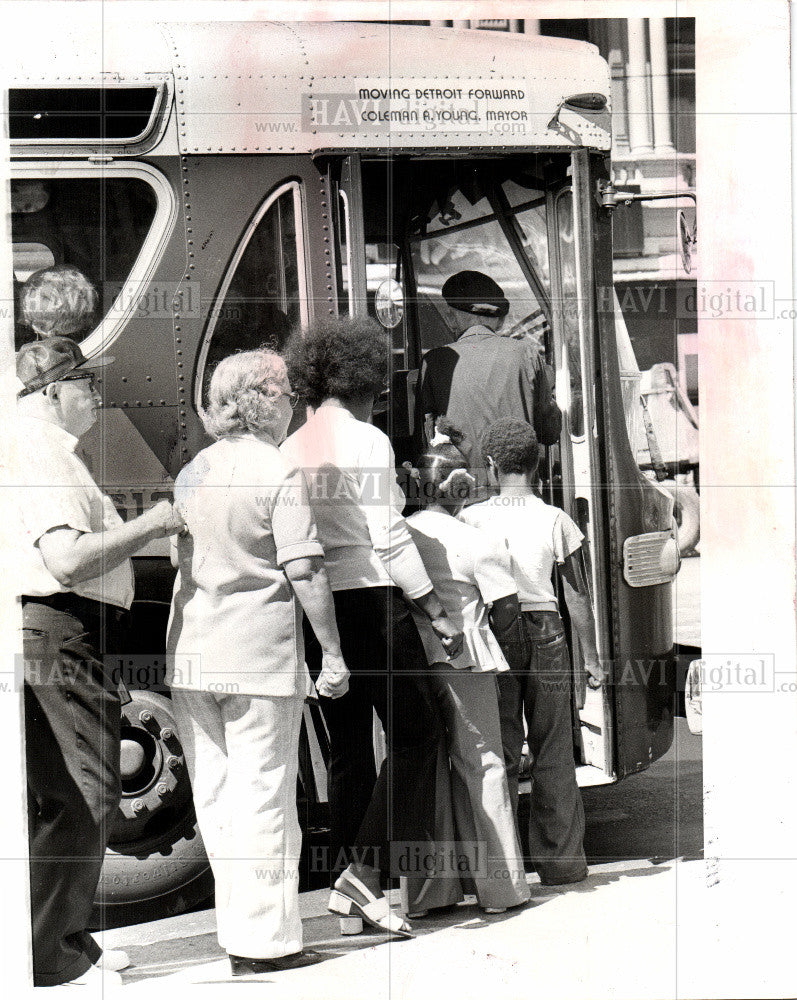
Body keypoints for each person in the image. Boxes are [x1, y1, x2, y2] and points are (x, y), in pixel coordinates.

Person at [166, 349, 350, 976]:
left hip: (191, 654)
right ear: (265, 398)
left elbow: (179, 561)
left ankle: (235, 934)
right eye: (287, 394)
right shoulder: (277, 471)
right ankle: (269, 944)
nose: (293, 404)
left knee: (216, 800)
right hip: (258, 659)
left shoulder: (193, 471)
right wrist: (332, 650)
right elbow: (304, 567)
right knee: (266, 796)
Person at [282, 316, 463, 939]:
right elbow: (388, 536)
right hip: (373, 601)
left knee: (349, 748)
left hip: (318, 609)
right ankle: (364, 875)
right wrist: (433, 605)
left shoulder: (290, 446)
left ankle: (354, 892)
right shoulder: (368, 441)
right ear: (364, 378)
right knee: (418, 734)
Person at [15, 335, 185, 987]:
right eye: (85, 384)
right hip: (63, 627)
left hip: (56, 630)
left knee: (61, 794)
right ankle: (55, 959)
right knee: (87, 790)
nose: (95, 395)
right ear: (51, 391)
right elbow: (65, 559)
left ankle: (57, 941)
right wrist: (155, 523)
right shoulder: (42, 449)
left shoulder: (39, 447)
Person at [459, 418, 604, 886]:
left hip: (494, 631)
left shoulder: (471, 519)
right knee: (553, 747)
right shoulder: (556, 519)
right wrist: (593, 659)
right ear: (538, 464)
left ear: (490, 465)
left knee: (498, 749)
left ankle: (504, 869)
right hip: (546, 630)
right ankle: (561, 862)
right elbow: (577, 596)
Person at [401, 421, 530, 916]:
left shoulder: (402, 535)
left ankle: (431, 894)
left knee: (428, 769)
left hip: (416, 661)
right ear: (462, 488)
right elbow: (507, 609)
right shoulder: (478, 541)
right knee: (484, 767)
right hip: (467, 661)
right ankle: (500, 889)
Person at [415, 269, 561, 491]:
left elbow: (427, 438)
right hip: (519, 497)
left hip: (463, 499)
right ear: (499, 320)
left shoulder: (434, 362)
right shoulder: (526, 354)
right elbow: (548, 432)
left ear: (453, 316)